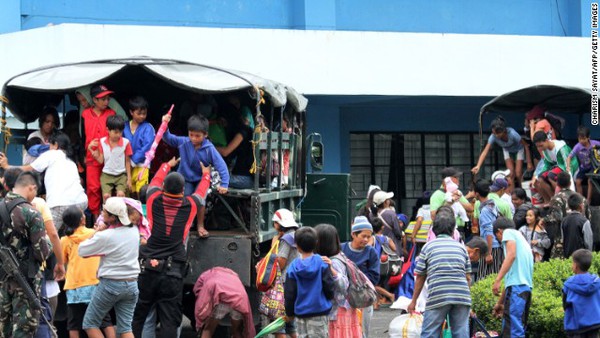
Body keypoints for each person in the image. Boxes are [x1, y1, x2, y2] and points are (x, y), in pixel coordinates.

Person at [131, 157, 211, 338]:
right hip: (173, 271)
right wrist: (206, 175)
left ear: (163, 189)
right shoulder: (190, 205)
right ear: (183, 191)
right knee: (169, 319)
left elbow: (155, 181)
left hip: (148, 268)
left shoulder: (152, 197)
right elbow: (201, 192)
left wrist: (167, 165)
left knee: (139, 316)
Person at [0, 132, 88, 231]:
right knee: (77, 235)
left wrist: (7, 167)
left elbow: (29, 168)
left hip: (60, 203)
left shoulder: (52, 153)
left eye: (50, 144)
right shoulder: (71, 160)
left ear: (55, 145)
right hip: (81, 201)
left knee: (49, 236)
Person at [79, 198, 140, 338]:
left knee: (90, 323)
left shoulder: (106, 236)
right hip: (131, 284)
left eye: (104, 211)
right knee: (125, 327)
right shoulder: (134, 231)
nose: (102, 213)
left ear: (112, 217)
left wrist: (98, 231)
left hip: (111, 284)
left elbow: (82, 250)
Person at [0, 172, 51, 338]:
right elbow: (42, 252)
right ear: (31, 187)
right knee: (23, 331)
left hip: (2, 280)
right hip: (25, 282)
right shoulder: (31, 213)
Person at [161, 113, 229, 237]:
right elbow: (167, 138)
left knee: (200, 201)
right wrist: (164, 125)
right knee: (185, 198)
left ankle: (200, 225)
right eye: (191, 135)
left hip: (201, 179)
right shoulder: (183, 142)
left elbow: (221, 165)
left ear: (205, 135)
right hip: (185, 178)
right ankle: (185, 225)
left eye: (197, 136)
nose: (193, 138)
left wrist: (224, 184)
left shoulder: (209, 148)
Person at [408, 209, 471, 338]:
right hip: (462, 295)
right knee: (461, 334)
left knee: (429, 333)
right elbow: (468, 277)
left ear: (433, 229)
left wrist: (413, 301)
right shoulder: (461, 248)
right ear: (453, 229)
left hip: (438, 294)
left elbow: (420, 277)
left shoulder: (428, 247)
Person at [60, 205, 116, 338]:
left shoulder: (65, 240)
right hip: (95, 282)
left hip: (74, 286)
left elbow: (63, 262)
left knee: (74, 324)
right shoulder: (94, 234)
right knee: (104, 320)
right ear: (81, 220)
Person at [284, 226, 335, 338]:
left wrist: (290, 313)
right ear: (316, 243)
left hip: (300, 313)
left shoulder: (293, 267)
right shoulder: (322, 263)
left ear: (297, 246)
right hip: (320, 311)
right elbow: (329, 288)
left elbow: (289, 293)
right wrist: (329, 298)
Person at [314, 223, 362, 338]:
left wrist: (332, 270)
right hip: (343, 310)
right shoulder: (339, 256)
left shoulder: (333, 261)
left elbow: (343, 285)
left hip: (338, 312)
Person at [492, 218, 534, 338]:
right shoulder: (522, 241)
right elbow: (512, 280)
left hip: (517, 290)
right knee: (514, 328)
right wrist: (500, 303)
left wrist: (497, 280)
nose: (501, 241)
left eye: (498, 237)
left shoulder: (509, 233)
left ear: (500, 232)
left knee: (513, 331)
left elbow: (511, 256)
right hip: (523, 290)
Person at [81, 84, 117, 220]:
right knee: (93, 188)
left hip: (109, 157)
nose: (106, 101)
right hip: (91, 157)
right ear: (94, 100)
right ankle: (96, 220)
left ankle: (111, 219)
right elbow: (81, 136)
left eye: (107, 98)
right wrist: (82, 156)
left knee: (109, 188)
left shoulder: (111, 114)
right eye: (103, 99)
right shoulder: (84, 114)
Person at [342, 216, 380, 338]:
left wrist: (356, 282)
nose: (366, 239)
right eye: (363, 236)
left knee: (363, 330)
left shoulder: (371, 252)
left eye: (368, 237)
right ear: (353, 234)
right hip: (344, 298)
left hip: (364, 297)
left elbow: (374, 276)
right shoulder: (341, 249)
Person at [472, 116, 533, 189]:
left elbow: (526, 145)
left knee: (518, 173)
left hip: (518, 149)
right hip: (507, 150)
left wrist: (529, 162)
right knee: (511, 174)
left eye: (498, 133)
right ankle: (512, 195)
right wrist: (478, 165)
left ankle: (523, 192)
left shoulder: (513, 134)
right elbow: (485, 151)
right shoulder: (493, 136)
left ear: (504, 131)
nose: (496, 135)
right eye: (494, 133)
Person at [193, 267, 255, 338]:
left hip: (219, 296)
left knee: (208, 329)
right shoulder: (234, 277)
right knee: (236, 330)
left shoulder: (206, 275)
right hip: (239, 299)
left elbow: (198, 292)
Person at [88, 115, 133, 202]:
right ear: (107, 130)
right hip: (106, 175)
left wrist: (129, 179)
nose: (118, 134)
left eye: (120, 132)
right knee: (106, 197)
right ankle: (107, 214)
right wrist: (91, 149)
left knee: (121, 195)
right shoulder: (102, 142)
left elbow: (128, 161)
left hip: (121, 175)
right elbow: (101, 160)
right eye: (115, 132)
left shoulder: (126, 143)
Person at [270, 208, 299, 338]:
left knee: (278, 323)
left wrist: (273, 244)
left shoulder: (286, 239)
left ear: (279, 224)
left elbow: (280, 262)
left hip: (285, 283)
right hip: (296, 281)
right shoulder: (297, 235)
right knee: (291, 323)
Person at [532, 130, 579, 203]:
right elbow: (547, 164)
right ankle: (551, 200)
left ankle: (562, 199)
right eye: (538, 147)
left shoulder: (561, 148)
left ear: (546, 140)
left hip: (568, 166)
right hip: (556, 167)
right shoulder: (544, 151)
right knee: (540, 179)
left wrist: (568, 174)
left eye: (541, 145)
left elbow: (568, 164)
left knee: (551, 175)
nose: (540, 148)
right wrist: (537, 176)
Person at [123, 96, 156, 198]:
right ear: (131, 112)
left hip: (143, 165)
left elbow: (147, 147)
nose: (142, 116)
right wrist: (128, 163)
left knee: (140, 191)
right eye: (139, 113)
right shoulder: (124, 126)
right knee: (129, 190)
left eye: (144, 114)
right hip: (127, 165)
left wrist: (133, 161)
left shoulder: (148, 127)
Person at [563, 249, 600, 338]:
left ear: (575, 266)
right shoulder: (596, 282)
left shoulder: (568, 284)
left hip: (575, 327)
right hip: (594, 326)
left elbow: (565, 305)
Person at [216, 109, 255, 189]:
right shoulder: (243, 130)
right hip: (243, 177)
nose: (222, 125)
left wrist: (208, 146)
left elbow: (225, 152)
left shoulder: (243, 132)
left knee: (210, 179)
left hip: (244, 178)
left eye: (223, 122)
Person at [473, 179, 503, 281]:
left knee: (484, 278)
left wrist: (488, 253)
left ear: (477, 194)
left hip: (491, 247)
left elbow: (489, 232)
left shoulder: (485, 210)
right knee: (493, 277)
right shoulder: (492, 205)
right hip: (497, 246)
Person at [430, 167, 474, 235]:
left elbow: (470, 208)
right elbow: (433, 216)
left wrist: (457, 200)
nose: (458, 179)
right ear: (447, 179)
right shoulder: (437, 195)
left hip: (461, 230)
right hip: (446, 231)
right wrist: (449, 202)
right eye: (455, 177)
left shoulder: (457, 192)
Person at [368, 217, 397, 307]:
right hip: (386, 265)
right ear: (382, 227)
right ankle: (376, 303)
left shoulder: (372, 238)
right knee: (378, 284)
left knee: (372, 285)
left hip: (376, 265)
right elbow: (394, 249)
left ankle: (390, 295)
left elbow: (367, 247)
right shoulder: (387, 239)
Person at [567, 126, 600, 202]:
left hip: (593, 167)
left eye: (584, 138)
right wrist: (568, 166)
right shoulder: (577, 146)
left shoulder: (594, 143)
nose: (582, 141)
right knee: (578, 181)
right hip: (583, 167)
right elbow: (569, 157)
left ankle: (588, 200)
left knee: (590, 180)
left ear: (589, 137)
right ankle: (581, 200)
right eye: (580, 139)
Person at [368, 190, 404, 257]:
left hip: (376, 245)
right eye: (387, 199)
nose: (389, 201)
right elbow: (398, 232)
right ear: (385, 202)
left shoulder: (371, 215)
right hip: (391, 247)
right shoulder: (391, 214)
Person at [562, 193, 594, 258]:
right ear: (581, 206)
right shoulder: (584, 221)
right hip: (581, 257)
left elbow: (563, 239)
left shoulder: (564, 221)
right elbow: (588, 242)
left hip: (568, 256)